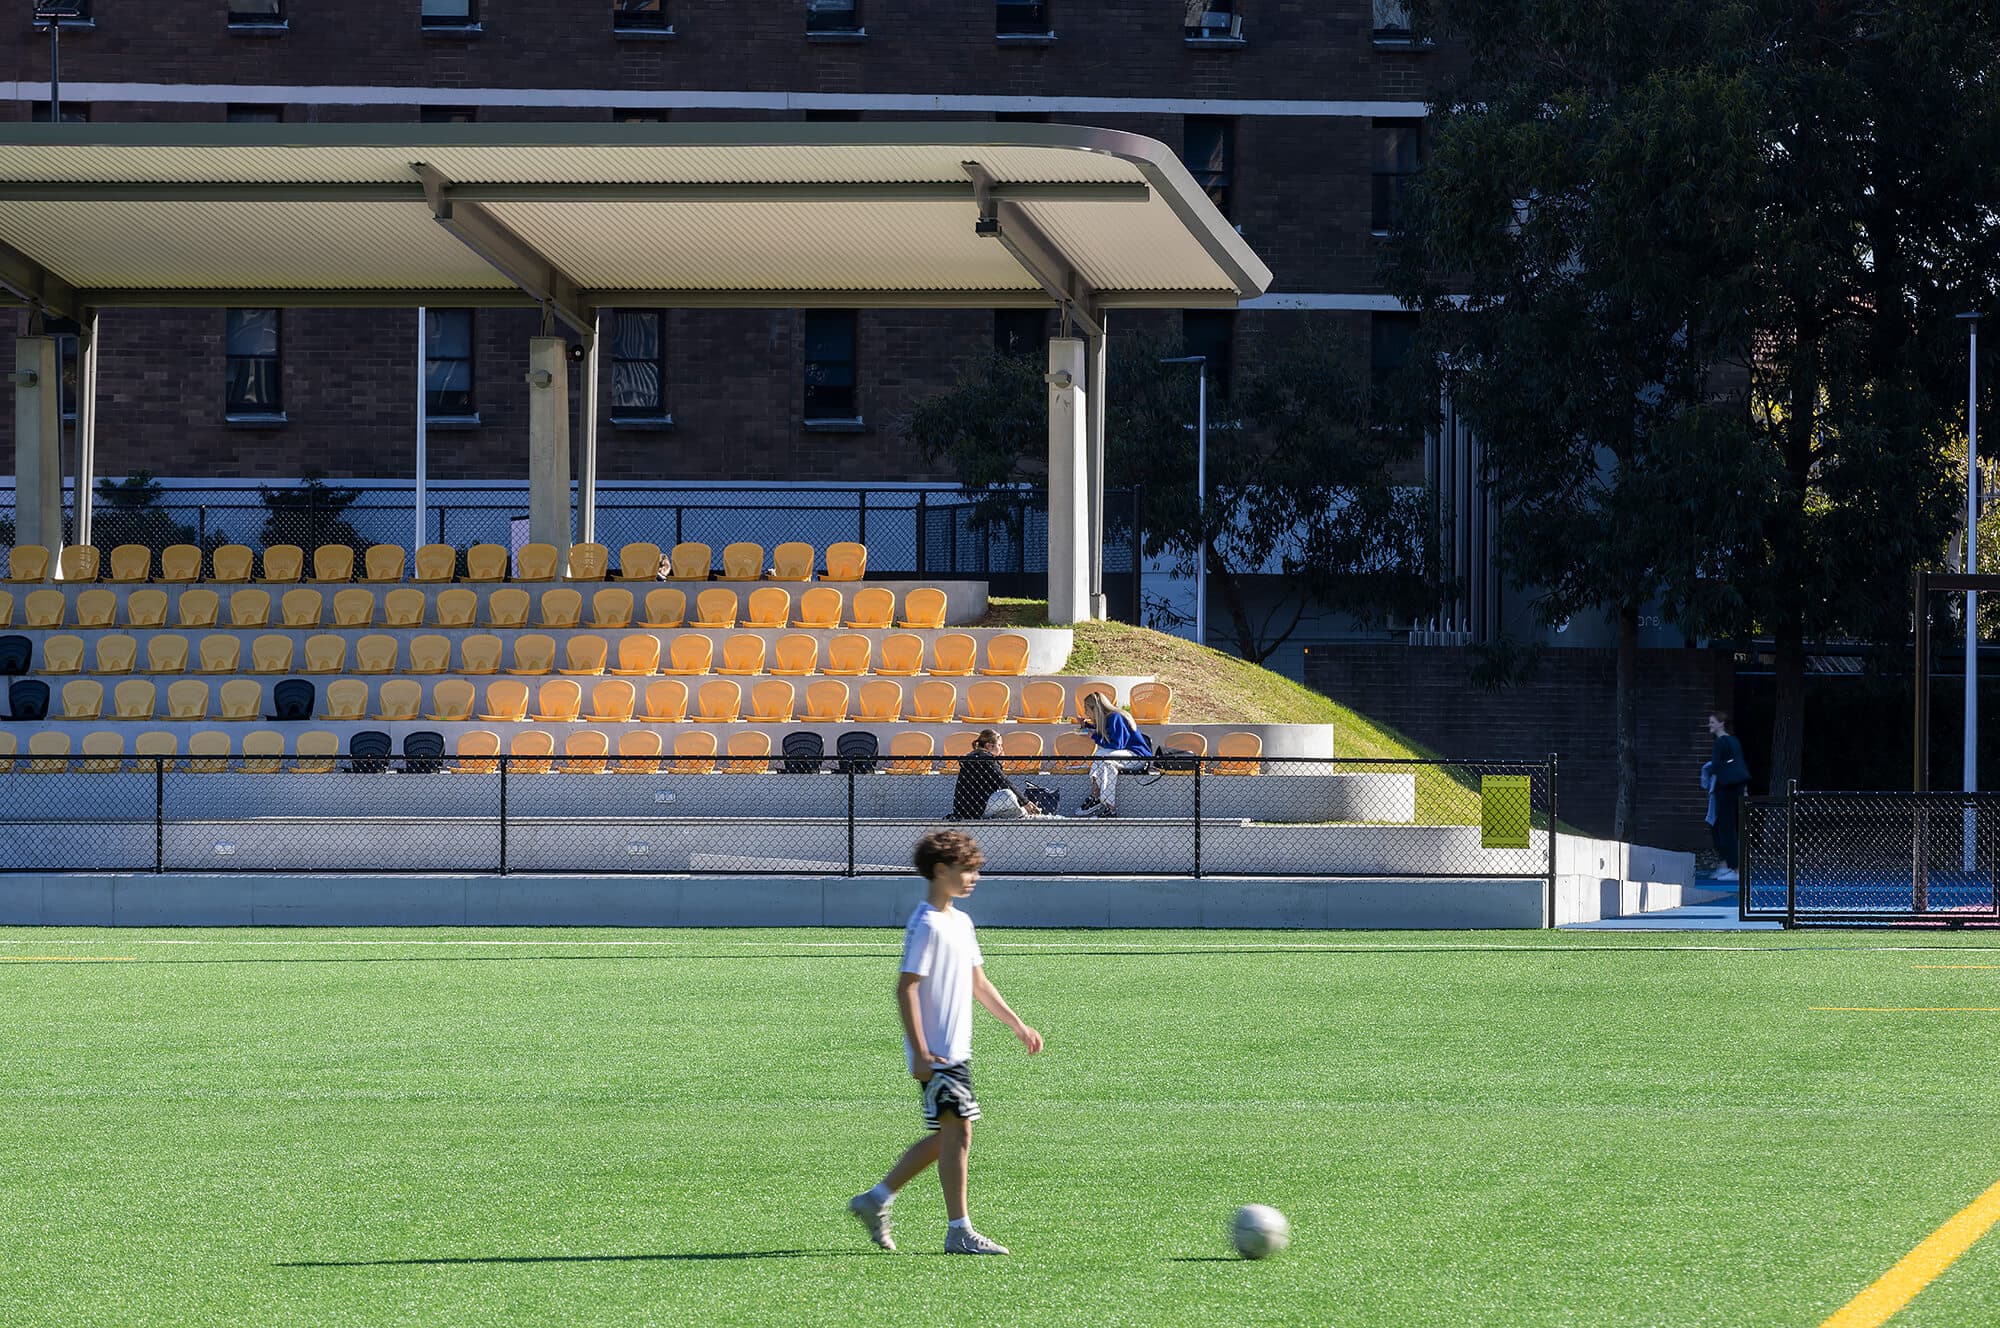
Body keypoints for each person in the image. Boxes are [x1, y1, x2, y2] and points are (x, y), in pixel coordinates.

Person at [849, 830, 1044, 1256]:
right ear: (941, 871)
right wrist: (919, 1050)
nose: (974, 877)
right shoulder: (927, 924)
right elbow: (906, 988)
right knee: (959, 1133)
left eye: (976, 869)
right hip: (936, 1052)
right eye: (966, 869)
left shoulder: (961, 921)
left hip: (955, 1050)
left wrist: (1017, 1024)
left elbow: (978, 981)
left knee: (951, 1136)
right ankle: (958, 1229)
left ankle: (877, 1198)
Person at [1075, 690, 1152, 818]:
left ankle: (1100, 800)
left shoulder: (1115, 717)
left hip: (1137, 757)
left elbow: (1117, 744)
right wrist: (1086, 725)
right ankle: (1104, 802)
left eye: (1087, 709)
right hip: (1124, 755)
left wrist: (1094, 736)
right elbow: (1107, 735)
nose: (1085, 713)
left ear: (1095, 708)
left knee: (1104, 757)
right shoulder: (1108, 718)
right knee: (1104, 759)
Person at [951, 729, 1044, 819]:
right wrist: (1025, 802)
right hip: (977, 809)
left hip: (963, 810)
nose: (1001, 748)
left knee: (1008, 801)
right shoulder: (986, 759)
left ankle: (1020, 813)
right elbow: (1004, 782)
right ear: (988, 746)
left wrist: (999, 763)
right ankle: (1024, 812)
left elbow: (995, 781)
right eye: (999, 745)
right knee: (1008, 795)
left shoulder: (974, 756)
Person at [1705, 710, 1752, 881]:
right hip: (1737, 787)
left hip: (1725, 788)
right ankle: (1729, 865)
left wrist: (1708, 773)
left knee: (1724, 827)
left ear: (1721, 723)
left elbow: (1716, 766)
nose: (1709, 725)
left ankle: (1733, 867)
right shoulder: (1734, 741)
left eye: (1712, 722)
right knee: (1729, 827)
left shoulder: (1720, 743)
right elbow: (1739, 764)